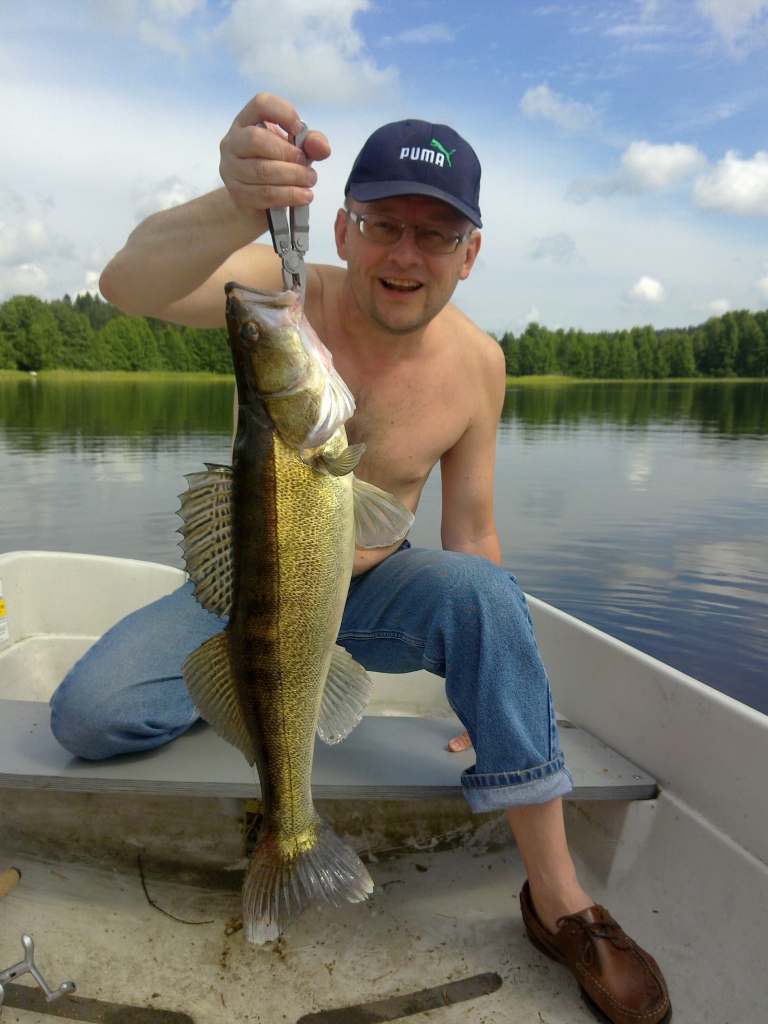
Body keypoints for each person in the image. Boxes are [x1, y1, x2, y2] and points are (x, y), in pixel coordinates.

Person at [50, 93, 670, 1024]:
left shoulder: (480, 365)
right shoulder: (282, 294)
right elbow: (125, 285)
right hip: (252, 601)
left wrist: (499, 693)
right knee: (88, 715)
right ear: (343, 228)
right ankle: (251, 710)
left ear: (469, 253)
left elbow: (473, 536)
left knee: (485, 595)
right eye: (383, 225)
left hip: (378, 590)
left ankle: (559, 899)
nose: (405, 254)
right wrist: (235, 201)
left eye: (435, 233)